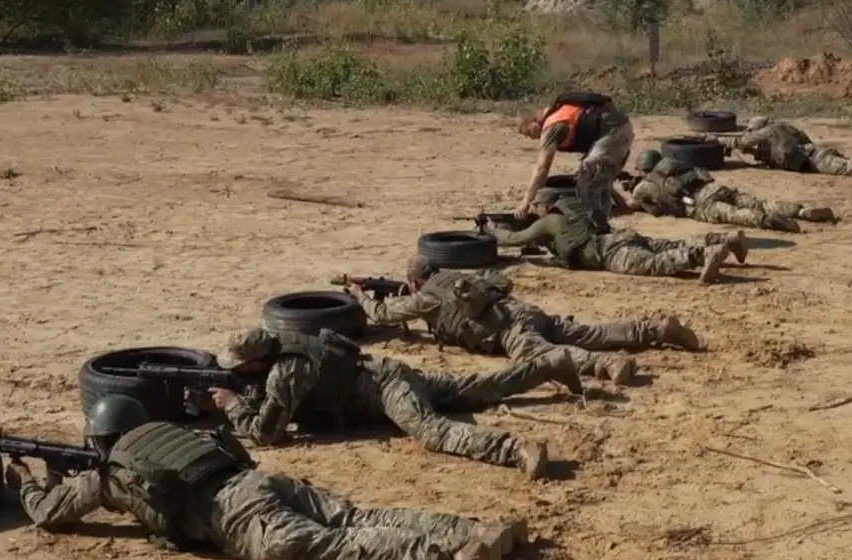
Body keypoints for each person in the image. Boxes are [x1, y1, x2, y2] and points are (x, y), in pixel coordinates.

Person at [8, 395, 528, 560]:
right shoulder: (168, 430)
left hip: (235, 515)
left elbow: (50, 514)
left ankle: (446, 558)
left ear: (99, 440)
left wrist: (26, 482)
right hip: (263, 482)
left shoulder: (109, 475)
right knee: (355, 516)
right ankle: (473, 529)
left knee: (330, 547)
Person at [209, 327, 581, 479]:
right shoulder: (284, 342)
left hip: (385, 390)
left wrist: (232, 405)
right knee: (473, 388)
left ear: (256, 362)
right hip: (385, 372)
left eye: (240, 366)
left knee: (432, 431)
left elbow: (268, 434)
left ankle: (515, 449)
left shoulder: (286, 371)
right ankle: (549, 365)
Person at [346, 255, 704, 386]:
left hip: (509, 329)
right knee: (587, 331)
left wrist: (359, 295)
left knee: (543, 356)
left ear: (414, 281)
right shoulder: (459, 277)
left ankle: (606, 364)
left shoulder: (426, 297)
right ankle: (656, 329)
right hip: (526, 311)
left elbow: (383, 314)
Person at [485, 191, 746, 285]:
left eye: (534, 206)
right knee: (668, 244)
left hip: (607, 252)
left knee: (655, 263)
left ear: (545, 205)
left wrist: (491, 229)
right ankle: (724, 239)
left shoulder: (549, 221)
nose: (532, 211)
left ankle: (702, 255)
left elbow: (514, 239)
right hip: (619, 237)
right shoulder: (574, 209)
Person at [619, 150, 838, 232]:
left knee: (733, 214)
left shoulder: (645, 186)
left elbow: (632, 203)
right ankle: (801, 211)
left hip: (698, 202)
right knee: (758, 202)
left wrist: (629, 188)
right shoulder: (674, 164)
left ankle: (766, 220)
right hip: (714, 187)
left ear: (644, 168)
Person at [515, 91, 634, 222]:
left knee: (588, 183)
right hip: (619, 127)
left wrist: (526, 202)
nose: (530, 137)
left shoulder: (552, 127)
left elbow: (542, 169)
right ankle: (604, 218)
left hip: (614, 131)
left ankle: (594, 225)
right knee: (596, 179)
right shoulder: (559, 112)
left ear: (534, 122)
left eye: (528, 132)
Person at [719, 116, 852, 178]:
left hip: (816, 159)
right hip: (817, 153)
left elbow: (741, 142)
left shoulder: (768, 132)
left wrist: (720, 141)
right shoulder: (783, 130)